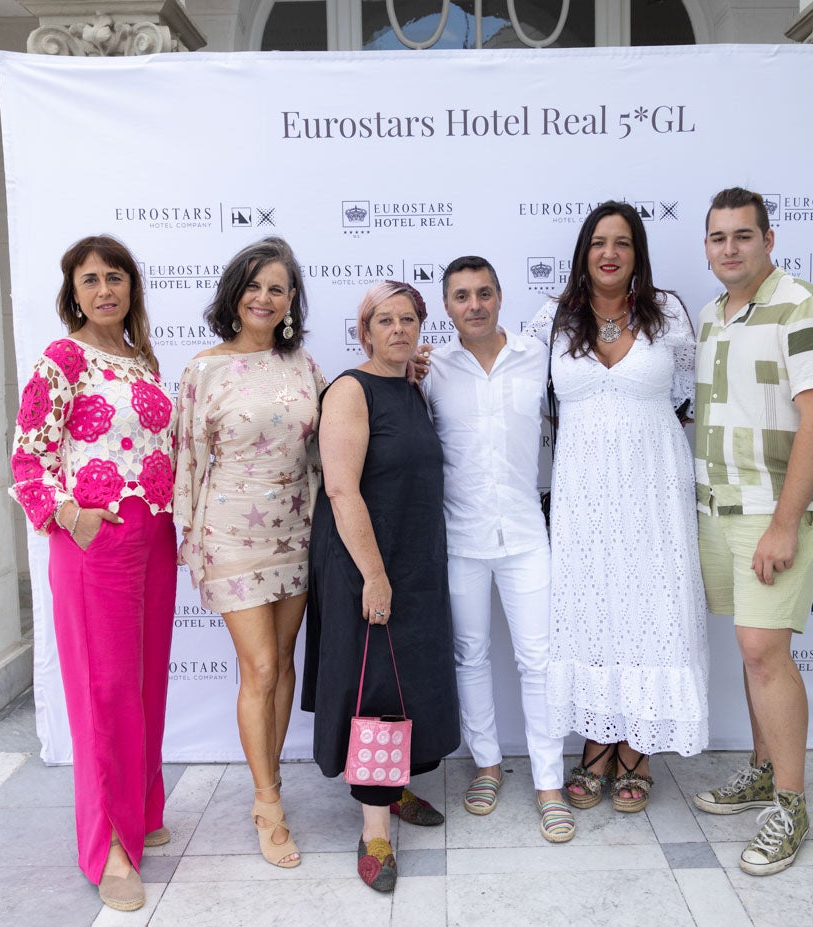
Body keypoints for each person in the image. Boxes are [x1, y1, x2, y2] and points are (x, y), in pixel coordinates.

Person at [8, 235, 176, 913]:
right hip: (94, 539)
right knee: (103, 688)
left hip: (154, 535)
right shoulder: (62, 359)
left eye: (115, 277)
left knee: (143, 677)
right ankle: (107, 844)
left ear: (131, 287)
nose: (104, 289)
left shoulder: (140, 360)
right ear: (72, 293)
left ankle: (140, 806)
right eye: (89, 280)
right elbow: (27, 459)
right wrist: (67, 515)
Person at [525, 201, 709, 814]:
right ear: (583, 252)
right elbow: (504, 373)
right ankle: (596, 745)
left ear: (638, 254)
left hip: (654, 491)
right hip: (582, 496)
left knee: (650, 609)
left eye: (622, 243)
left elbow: (689, 398)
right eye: (598, 242)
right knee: (593, 610)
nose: (609, 253)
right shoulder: (553, 319)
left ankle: (638, 748)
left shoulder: (669, 313)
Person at [689, 187, 813, 876]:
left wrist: (782, 524)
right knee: (752, 650)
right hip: (716, 507)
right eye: (718, 237)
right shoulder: (710, 315)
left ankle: (789, 802)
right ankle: (760, 769)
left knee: (762, 649)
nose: (730, 248)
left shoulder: (804, 306)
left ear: (768, 239)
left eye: (742, 236)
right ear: (706, 246)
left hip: (775, 509)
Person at [301, 280, 460, 893]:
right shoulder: (350, 390)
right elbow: (341, 489)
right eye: (384, 320)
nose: (398, 329)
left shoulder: (412, 386)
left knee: (407, 682)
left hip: (414, 561)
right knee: (375, 691)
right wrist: (373, 575)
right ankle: (373, 830)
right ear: (363, 331)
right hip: (365, 564)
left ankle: (392, 788)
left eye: (408, 319)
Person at [172, 237, 324, 868]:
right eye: (255, 286)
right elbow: (186, 460)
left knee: (283, 664)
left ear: (291, 301)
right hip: (232, 536)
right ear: (235, 294)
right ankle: (267, 803)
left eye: (278, 288)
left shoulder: (304, 366)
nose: (265, 297)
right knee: (259, 668)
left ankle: (273, 786)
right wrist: (190, 540)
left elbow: (328, 445)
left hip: (299, 533)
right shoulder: (203, 370)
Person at [423, 256, 574, 843]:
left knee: (538, 660)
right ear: (447, 306)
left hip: (526, 537)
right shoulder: (431, 366)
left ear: (501, 295)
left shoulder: (538, 355)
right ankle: (486, 764)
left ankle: (549, 782)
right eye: (462, 296)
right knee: (471, 655)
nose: (475, 305)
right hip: (459, 538)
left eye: (484, 293)